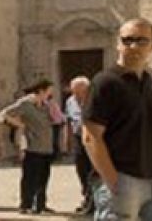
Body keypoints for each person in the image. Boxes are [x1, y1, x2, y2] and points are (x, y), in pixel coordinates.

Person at [83, 18, 152, 221]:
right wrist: (112, 181)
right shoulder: (105, 82)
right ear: (118, 44)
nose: (133, 46)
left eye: (141, 41)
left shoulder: (149, 83)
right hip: (123, 179)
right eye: (127, 40)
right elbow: (91, 136)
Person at [2, 79, 55, 214]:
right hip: (33, 147)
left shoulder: (46, 105)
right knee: (30, 177)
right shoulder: (26, 103)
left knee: (44, 177)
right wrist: (19, 125)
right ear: (41, 91)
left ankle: (40, 205)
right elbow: (5, 113)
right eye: (49, 91)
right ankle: (26, 204)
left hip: (46, 147)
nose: (50, 94)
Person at [64, 76, 94, 215]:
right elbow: (69, 122)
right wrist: (67, 140)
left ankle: (92, 202)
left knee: (93, 171)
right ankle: (87, 199)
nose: (76, 95)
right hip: (78, 138)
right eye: (74, 92)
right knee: (81, 169)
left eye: (79, 92)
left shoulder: (95, 100)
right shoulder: (70, 101)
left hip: (94, 138)